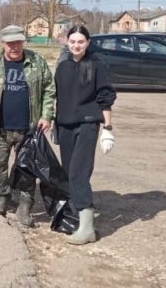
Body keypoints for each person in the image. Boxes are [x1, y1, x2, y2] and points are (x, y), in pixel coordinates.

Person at [0, 25, 55, 227]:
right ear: (2, 43)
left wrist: (47, 115)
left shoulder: (36, 61)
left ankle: (25, 206)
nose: (15, 47)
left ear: (23, 41)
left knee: (27, 169)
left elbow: (49, 88)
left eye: (18, 42)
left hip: (28, 128)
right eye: (10, 43)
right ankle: (2, 199)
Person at [54, 25, 117, 245]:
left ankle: (88, 228)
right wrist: (54, 122)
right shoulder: (62, 66)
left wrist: (107, 129)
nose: (76, 45)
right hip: (65, 126)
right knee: (68, 172)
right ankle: (75, 217)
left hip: (88, 124)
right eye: (72, 41)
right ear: (67, 42)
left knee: (79, 172)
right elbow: (58, 97)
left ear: (88, 43)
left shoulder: (97, 65)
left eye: (81, 41)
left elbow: (105, 97)